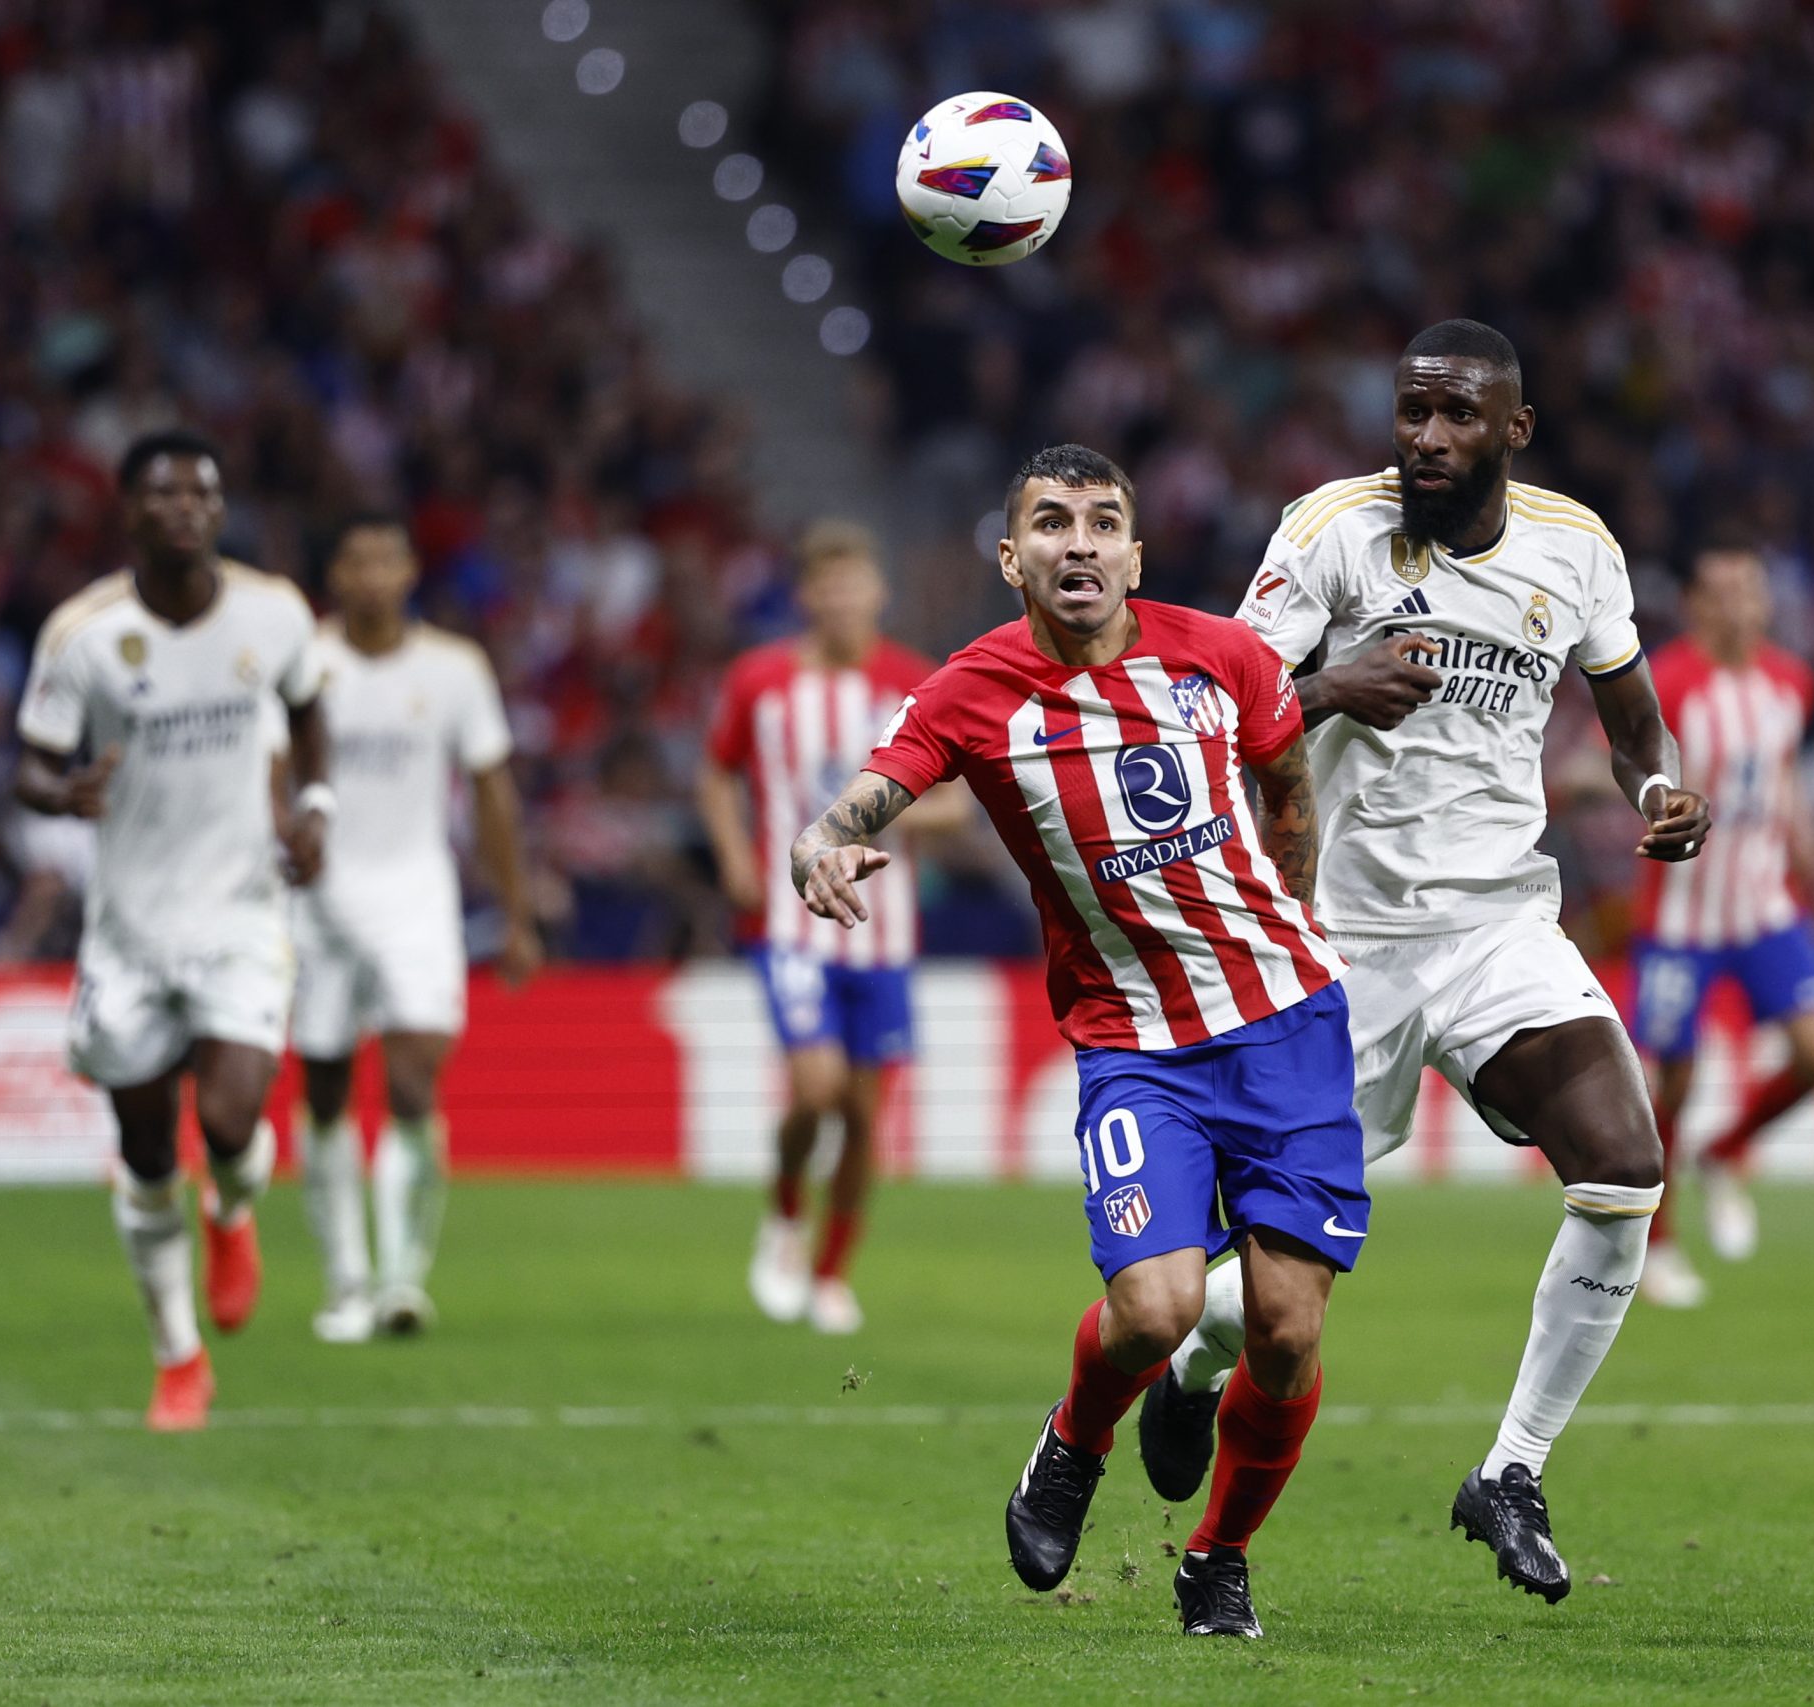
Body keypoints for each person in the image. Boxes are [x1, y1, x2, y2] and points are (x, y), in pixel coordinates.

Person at [1147, 319, 1714, 1603]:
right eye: (1412, 411)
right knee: (1267, 1302)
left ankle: (1510, 1471)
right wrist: (1331, 686)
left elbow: (1634, 729)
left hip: (1499, 926)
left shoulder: (1576, 549)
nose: (1428, 438)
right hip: (1337, 944)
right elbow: (1205, 710)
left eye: (1458, 416)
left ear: (1514, 429)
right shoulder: (1330, 531)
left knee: (1625, 1168)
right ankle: (1189, 1366)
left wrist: (1660, 790)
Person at [790, 445, 1364, 1639]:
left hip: (1286, 1024)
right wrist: (820, 847)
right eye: (1052, 523)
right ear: (1013, 559)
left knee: (1286, 1330)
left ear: (1135, 556)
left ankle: (1217, 1559)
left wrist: (1295, 912)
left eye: (1104, 522)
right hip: (1134, 1044)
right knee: (1154, 1310)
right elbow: (861, 798)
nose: (1080, 542)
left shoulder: (1223, 655)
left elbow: (1285, 781)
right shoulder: (972, 689)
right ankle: (1072, 1442)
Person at [12, 429, 332, 1431]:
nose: (185, 508)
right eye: (164, 494)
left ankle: (232, 1208)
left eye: (202, 492)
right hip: (130, 931)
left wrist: (314, 806)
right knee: (147, 1150)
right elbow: (30, 762)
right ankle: (177, 1359)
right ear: (130, 512)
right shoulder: (84, 633)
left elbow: (308, 710)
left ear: (220, 509)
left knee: (231, 1121)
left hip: (241, 908)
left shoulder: (274, 612)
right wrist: (64, 791)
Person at [697, 520, 960, 1335]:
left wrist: (893, 817)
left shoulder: (915, 683)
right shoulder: (759, 680)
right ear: (806, 595)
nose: (843, 600)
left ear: (878, 593)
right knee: (814, 1088)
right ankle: (785, 1213)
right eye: (828, 586)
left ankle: (832, 1271)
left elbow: (955, 802)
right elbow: (716, 771)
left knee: (862, 1116)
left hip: (884, 932)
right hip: (790, 922)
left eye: (855, 585)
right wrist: (735, 854)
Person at [289, 514, 539, 1343]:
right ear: (336, 574)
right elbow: (265, 769)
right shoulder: (303, 662)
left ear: (410, 572)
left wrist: (515, 912)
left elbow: (492, 791)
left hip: (416, 897)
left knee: (411, 1081)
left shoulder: (455, 668)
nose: (372, 575)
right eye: (356, 560)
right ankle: (345, 1278)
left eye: (386, 560)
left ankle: (400, 1277)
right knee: (326, 1090)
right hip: (317, 903)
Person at [1623, 536, 1814, 1309]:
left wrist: (1804, 837)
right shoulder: (1669, 680)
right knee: (1673, 1084)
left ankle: (1724, 1152)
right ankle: (1657, 1241)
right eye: (1720, 592)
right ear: (1693, 605)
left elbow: (1780, 772)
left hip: (1764, 907)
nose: (1737, 605)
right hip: (1681, 917)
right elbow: (1628, 758)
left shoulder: (1791, 681)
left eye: (1749, 589)